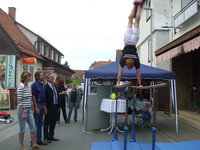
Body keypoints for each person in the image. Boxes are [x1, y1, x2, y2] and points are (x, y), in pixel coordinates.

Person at [116, 0, 145, 87]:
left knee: (136, 21)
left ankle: (139, 5)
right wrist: (117, 82)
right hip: (127, 40)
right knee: (130, 19)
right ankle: (135, 4)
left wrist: (140, 84)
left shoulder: (136, 61)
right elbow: (120, 74)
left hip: (134, 41)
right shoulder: (123, 61)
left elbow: (139, 74)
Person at [16, 72, 41, 150]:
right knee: (22, 129)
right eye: (28, 77)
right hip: (22, 110)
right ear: (24, 78)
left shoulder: (29, 87)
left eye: (29, 77)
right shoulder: (21, 87)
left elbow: (30, 99)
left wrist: (32, 108)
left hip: (29, 110)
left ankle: (34, 144)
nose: (29, 78)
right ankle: (21, 146)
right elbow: (19, 101)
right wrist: (23, 113)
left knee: (33, 127)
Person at [31, 71, 48, 145]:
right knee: (35, 124)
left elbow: (44, 97)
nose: (43, 76)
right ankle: (33, 141)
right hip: (37, 104)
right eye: (41, 75)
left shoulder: (42, 85)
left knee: (40, 123)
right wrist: (36, 107)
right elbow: (33, 96)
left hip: (42, 104)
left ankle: (39, 140)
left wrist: (44, 107)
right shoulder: (34, 85)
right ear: (37, 76)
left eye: (43, 75)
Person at [43, 73, 59, 142]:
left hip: (55, 106)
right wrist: (45, 107)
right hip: (49, 107)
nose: (53, 78)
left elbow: (56, 96)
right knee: (47, 123)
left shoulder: (54, 86)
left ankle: (51, 136)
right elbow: (44, 98)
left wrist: (58, 106)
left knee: (53, 122)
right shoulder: (46, 87)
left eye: (53, 77)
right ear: (47, 79)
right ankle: (46, 137)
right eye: (51, 77)